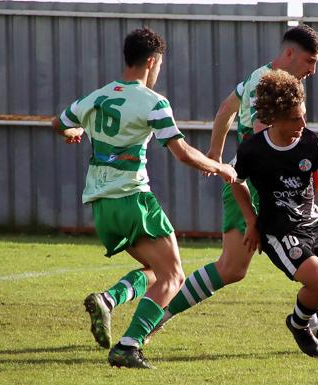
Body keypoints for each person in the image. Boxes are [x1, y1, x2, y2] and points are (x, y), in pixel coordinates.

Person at [147, 24, 318, 349]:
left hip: (282, 186)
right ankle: (156, 318)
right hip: (257, 186)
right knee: (231, 268)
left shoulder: (274, 80)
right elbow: (263, 136)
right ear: (289, 53)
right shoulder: (263, 85)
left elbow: (226, 108)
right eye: (310, 61)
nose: (313, 69)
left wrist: (216, 151)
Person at [52, 27, 236, 369]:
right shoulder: (154, 102)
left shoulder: (96, 97)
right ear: (152, 61)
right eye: (160, 64)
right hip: (133, 199)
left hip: (100, 205)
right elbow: (181, 153)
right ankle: (129, 344)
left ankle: (108, 299)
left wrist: (75, 130)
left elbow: (57, 122)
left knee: (155, 269)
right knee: (174, 277)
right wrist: (220, 167)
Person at [231, 70, 318, 357]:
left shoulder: (315, 145)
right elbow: (235, 183)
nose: (302, 124)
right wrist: (251, 221)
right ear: (273, 118)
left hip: (312, 222)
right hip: (279, 230)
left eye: (304, 116)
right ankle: (298, 324)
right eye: (294, 118)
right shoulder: (253, 150)